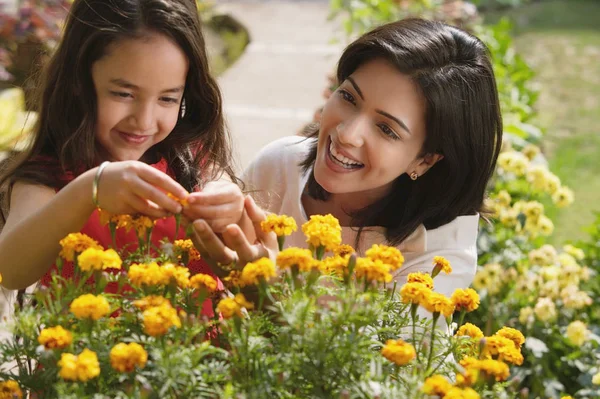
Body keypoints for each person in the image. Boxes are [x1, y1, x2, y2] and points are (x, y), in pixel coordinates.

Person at [190, 18, 503, 299]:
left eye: (386, 129)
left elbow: (378, 363)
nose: (347, 133)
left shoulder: (437, 255)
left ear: (425, 160)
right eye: (349, 97)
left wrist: (270, 295)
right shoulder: (279, 165)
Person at [0, 0, 247, 317]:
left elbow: (228, 203)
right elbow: (11, 269)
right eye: (124, 94)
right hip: (90, 364)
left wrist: (228, 205)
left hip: (196, 362)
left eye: (168, 98)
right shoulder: (50, 177)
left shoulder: (191, 159)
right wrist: (91, 189)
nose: (144, 120)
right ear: (78, 80)